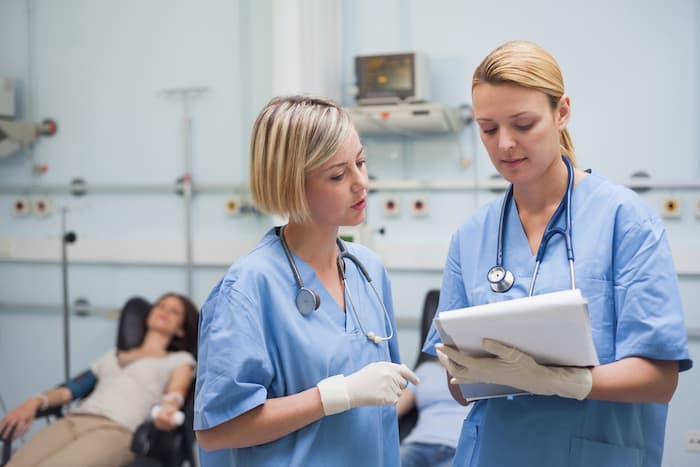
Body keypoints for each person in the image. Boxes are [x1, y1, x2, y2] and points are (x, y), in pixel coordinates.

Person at [422, 40, 692, 467]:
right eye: (488, 129)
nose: (505, 144)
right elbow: (456, 387)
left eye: (523, 124)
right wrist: (462, 371)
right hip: (494, 453)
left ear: (561, 111)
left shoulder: (625, 221)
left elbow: (659, 380)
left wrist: (564, 382)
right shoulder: (472, 235)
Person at [194, 95, 418, 467]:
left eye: (361, 163)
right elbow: (217, 430)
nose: (361, 183)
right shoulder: (249, 288)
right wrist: (336, 394)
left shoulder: (368, 270)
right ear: (291, 183)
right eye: (338, 174)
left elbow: (386, 398)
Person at [0, 293, 199, 467]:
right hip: (73, 421)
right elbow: (69, 390)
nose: (164, 311)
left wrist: (168, 412)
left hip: (115, 431)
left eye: (174, 312)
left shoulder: (180, 360)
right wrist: (34, 401)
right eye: (161, 305)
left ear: (181, 329)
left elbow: (175, 395)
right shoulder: (112, 356)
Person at [397, 354, 471, 467]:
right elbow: (394, 409)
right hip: (419, 444)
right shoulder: (426, 369)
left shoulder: (478, 373)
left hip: (460, 448)